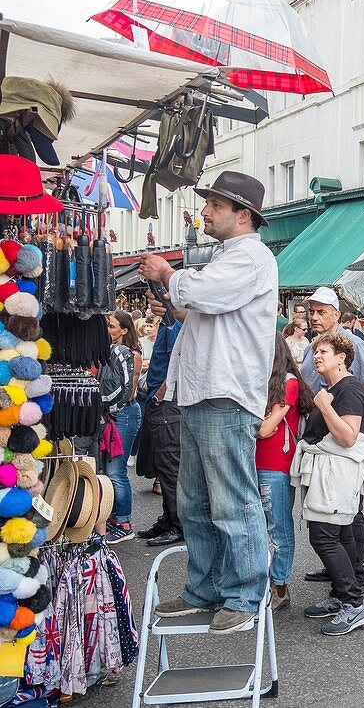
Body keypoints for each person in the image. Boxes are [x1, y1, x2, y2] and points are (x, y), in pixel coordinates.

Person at [141, 170, 276, 635]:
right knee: (195, 501)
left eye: (215, 205)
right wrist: (173, 296)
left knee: (231, 501)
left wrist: (168, 274)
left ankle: (243, 593)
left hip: (225, 392)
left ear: (243, 216)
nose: (205, 212)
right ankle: (205, 589)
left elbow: (206, 295)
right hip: (204, 392)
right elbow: (196, 306)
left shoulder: (251, 256)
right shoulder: (227, 257)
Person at [293, 333, 364, 635]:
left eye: (323, 351)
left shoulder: (350, 389)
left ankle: (354, 604)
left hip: (336, 474)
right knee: (340, 534)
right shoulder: (334, 388)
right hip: (329, 472)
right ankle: (342, 596)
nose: (317, 356)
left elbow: (349, 436)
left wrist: (325, 406)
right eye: (315, 352)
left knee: (325, 536)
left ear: (341, 357)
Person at [299, 286, 364, 587]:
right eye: (312, 311)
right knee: (330, 517)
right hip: (324, 436)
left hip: (341, 440)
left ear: (337, 314)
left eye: (321, 311)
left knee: (348, 514)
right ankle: (337, 568)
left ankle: (354, 575)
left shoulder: (351, 346)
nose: (315, 316)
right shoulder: (315, 346)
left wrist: (355, 427)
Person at [256, 333, 314, 612]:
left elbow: (266, 429)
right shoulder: (261, 382)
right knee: (256, 528)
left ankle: (280, 586)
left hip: (275, 465)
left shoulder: (288, 383)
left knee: (278, 528)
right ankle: (264, 583)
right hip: (253, 463)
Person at [135, 317, 184, 547]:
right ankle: (168, 520)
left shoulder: (174, 325)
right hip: (165, 403)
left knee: (169, 466)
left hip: (167, 405)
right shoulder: (168, 324)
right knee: (164, 467)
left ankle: (177, 524)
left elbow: (176, 364)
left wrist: (158, 397)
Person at [102, 310, 144, 544]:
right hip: (115, 413)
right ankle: (116, 518)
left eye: (112, 326)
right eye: (108, 326)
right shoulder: (111, 351)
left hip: (125, 412)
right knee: (111, 469)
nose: (109, 331)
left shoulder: (130, 354)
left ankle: (124, 523)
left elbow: (129, 390)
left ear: (125, 330)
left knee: (117, 470)